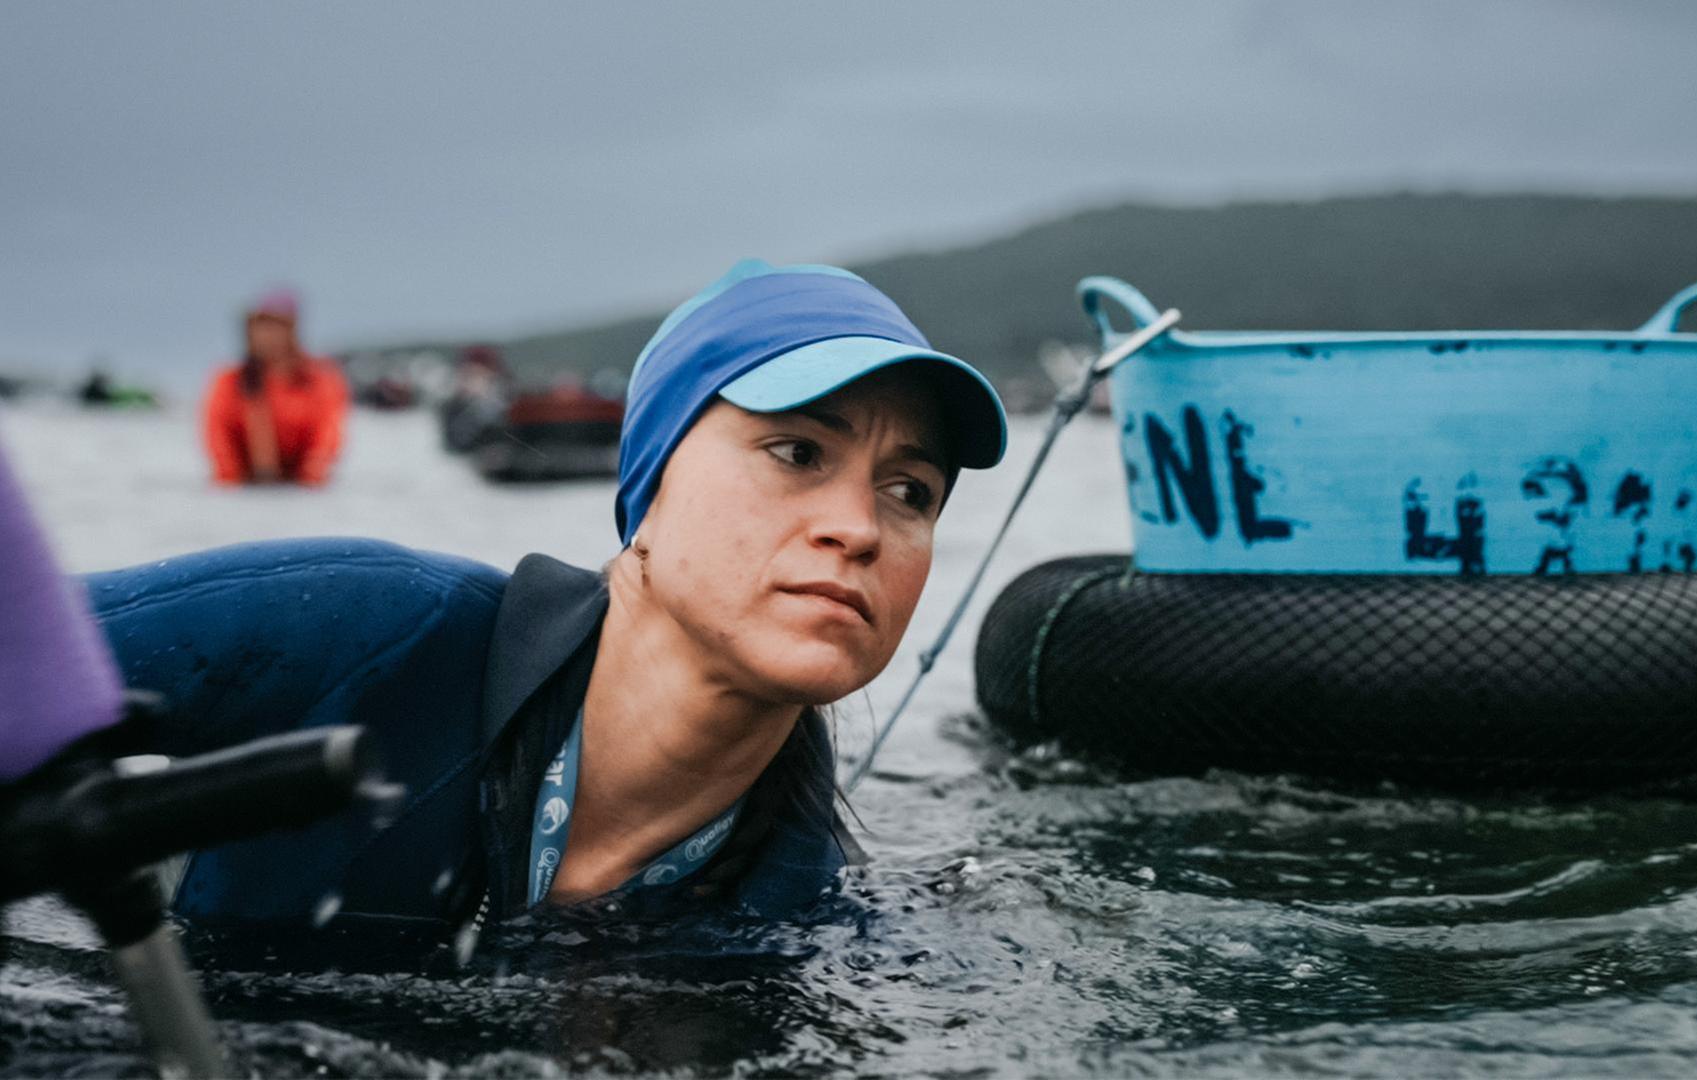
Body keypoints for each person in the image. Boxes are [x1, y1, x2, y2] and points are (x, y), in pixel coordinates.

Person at [85, 260, 1007, 940]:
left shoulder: (798, 908)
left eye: (910, 491)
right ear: (647, 489)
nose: (859, 528)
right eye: (798, 453)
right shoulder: (365, 628)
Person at [201, 289, 350, 486]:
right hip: (247, 483)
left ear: (291, 331)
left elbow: (328, 434)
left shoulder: (319, 379)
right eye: (262, 327)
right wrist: (229, 478)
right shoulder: (230, 380)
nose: (268, 336)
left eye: (276, 327)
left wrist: (312, 475)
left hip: (300, 485)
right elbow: (218, 436)